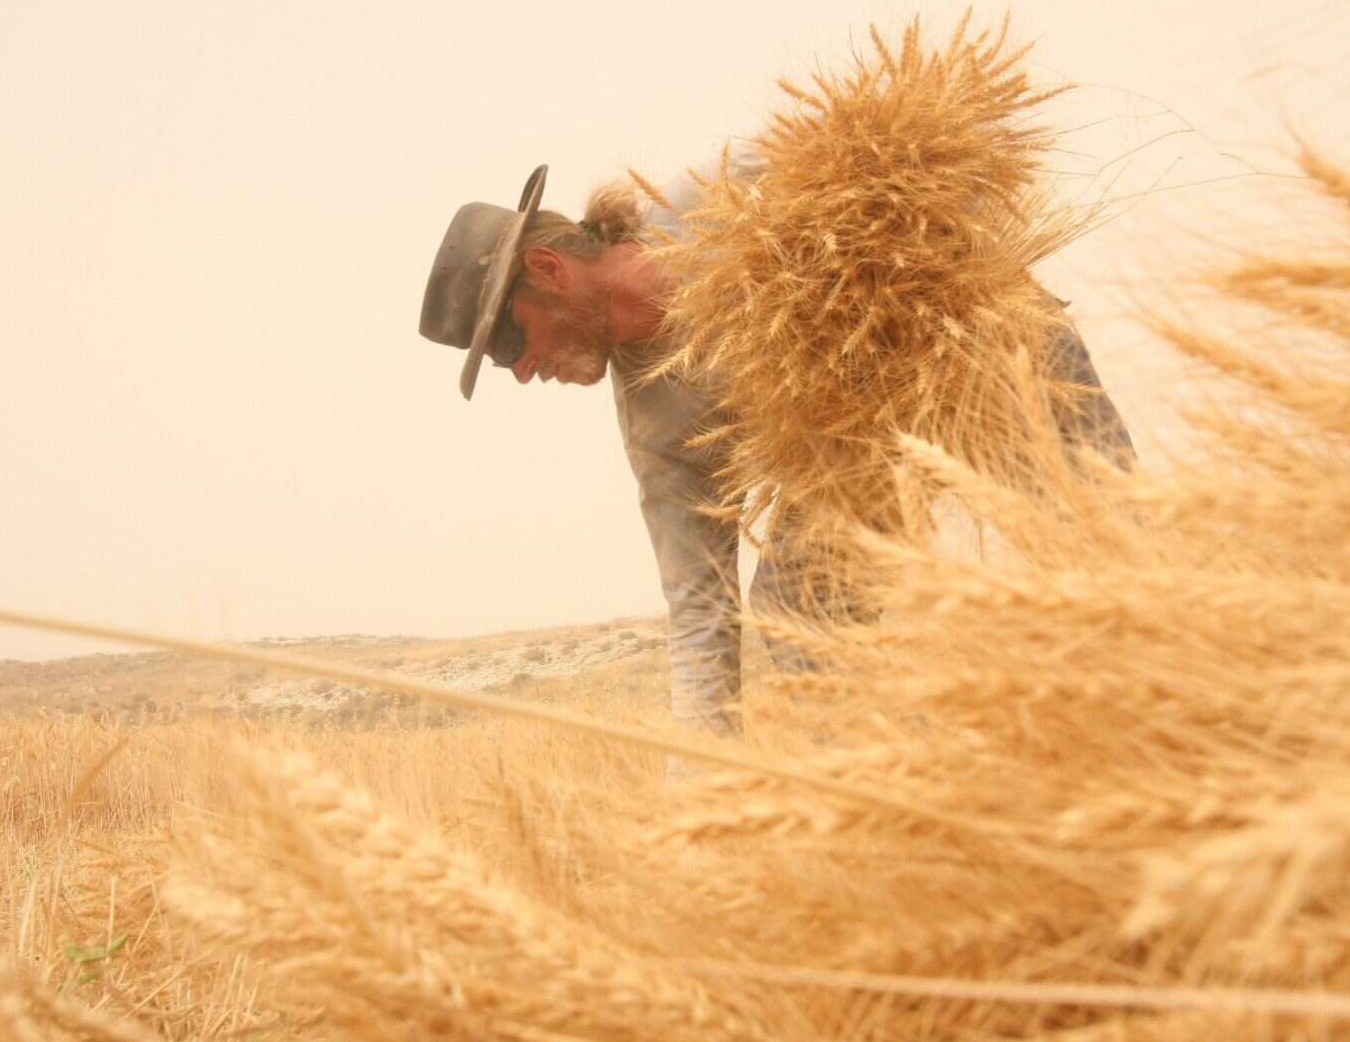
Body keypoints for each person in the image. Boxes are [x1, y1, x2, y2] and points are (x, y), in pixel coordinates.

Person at [418, 149, 1134, 737]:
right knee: (798, 609)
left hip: (982, 344)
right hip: (865, 455)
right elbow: (702, 615)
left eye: (507, 338)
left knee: (1109, 555)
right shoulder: (657, 428)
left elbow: (914, 175)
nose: (519, 370)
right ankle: (914, 809)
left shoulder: (722, 194)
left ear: (548, 271)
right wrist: (706, 793)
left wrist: (968, 287)